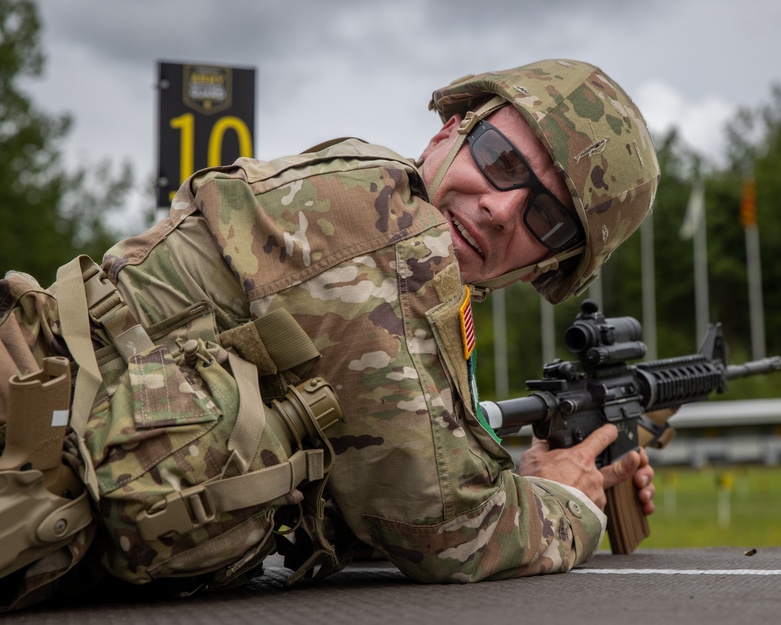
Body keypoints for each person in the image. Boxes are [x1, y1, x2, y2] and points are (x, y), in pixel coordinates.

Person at [0, 58, 660, 608]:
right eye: (501, 161)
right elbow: (449, 529)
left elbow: (379, 486)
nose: (499, 205)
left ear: (547, 264)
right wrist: (573, 500)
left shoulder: (387, 227)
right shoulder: (389, 235)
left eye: (543, 217)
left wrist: (528, 474)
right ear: (448, 136)